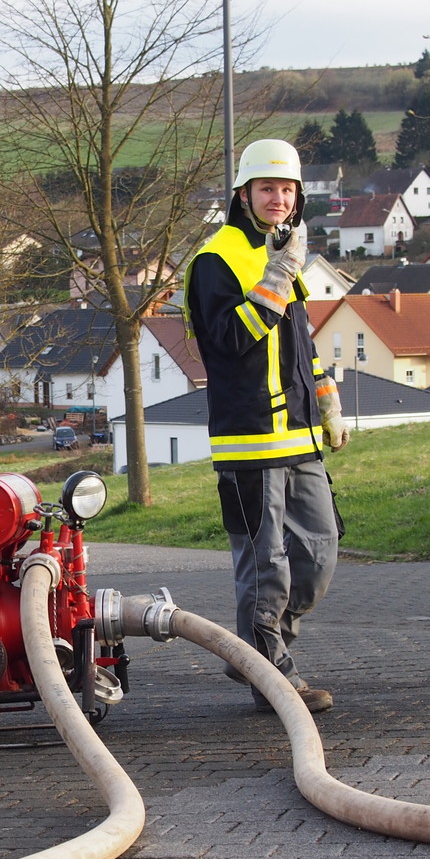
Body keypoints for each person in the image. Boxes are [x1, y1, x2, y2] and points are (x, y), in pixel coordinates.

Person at [182, 138, 348, 714]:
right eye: (266, 189)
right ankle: (271, 673)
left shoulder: (287, 254)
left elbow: (298, 344)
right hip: (249, 439)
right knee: (267, 563)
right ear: (244, 195)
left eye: (287, 190)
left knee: (320, 553)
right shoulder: (217, 260)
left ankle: (253, 648)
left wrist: (327, 401)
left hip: (298, 437)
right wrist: (278, 274)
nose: (278, 198)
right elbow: (229, 340)